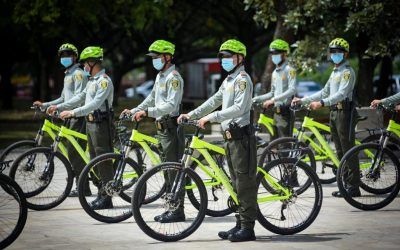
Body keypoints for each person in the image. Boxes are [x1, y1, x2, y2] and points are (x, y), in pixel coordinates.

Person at [178, 39, 257, 242]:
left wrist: (211, 118)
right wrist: (192, 114)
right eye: (222, 57)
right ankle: (239, 223)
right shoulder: (229, 80)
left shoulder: (243, 79)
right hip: (230, 138)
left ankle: (248, 228)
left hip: (242, 139)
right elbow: (214, 101)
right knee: (234, 182)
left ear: (240, 58)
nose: (224, 60)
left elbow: (239, 109)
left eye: (229, 56)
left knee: (244, 183)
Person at [120, 40, 185, 223]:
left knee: (173, 170)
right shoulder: (161, 76)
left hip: (172, 128)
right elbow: (151, 98)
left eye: (157, 57)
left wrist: (147, 113)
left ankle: (178, 211)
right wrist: (134, 110)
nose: (154, 60)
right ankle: (171, 207)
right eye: (153, 57)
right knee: (166, 170)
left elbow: (170, 105)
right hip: (161, 128)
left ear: (168, 57)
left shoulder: (174, 77)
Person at [292, 38, 360, 197]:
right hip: (334, 112)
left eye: (339, 52)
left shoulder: (347, 72)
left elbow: (341, 94)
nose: (335, 54)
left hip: (346, 113)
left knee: (348, 150)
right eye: (333, 52)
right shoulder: (335, 72)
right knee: (339, 150)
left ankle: (354, 187)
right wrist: (303, 100)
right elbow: (324, 92)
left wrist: (322, 103)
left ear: (345, 54)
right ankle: (345, 185)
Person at [57, 46, 115, 209]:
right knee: (94, 160)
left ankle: (107, 198)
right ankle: (101, 194)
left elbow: (94, 104)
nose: (83, 66)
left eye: (85, 63)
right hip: (91, 124)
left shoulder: (104, 80)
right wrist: (63, 108)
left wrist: (74, 113)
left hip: (101, 124)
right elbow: (80, 98)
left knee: (103, 160)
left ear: (93, 62)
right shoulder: (92, 81)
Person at [33, 43, 88, 197]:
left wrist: (60, 108)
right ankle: (82, 184)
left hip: (78, 116)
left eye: (68, 55)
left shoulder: (78, 74)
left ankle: (83, 187)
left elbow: (79, 98)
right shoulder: (68, 74)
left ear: (75, 57)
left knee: (74, 151)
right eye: (62, 55)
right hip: (68, 115)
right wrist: (45, 105)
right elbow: (64, 98)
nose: (65, 58)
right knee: (72, 151)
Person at [253, 39, 296, 138]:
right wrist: (256, 99)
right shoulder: (275, 72)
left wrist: (273, 100)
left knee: (283, 144)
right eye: (272, 54)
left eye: (277, 53)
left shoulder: (289, 69)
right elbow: (272, 93)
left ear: (285, 54)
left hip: (286, 112)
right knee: (274, 143)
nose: (274, 56)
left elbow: (292, 90)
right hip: (276, 112)